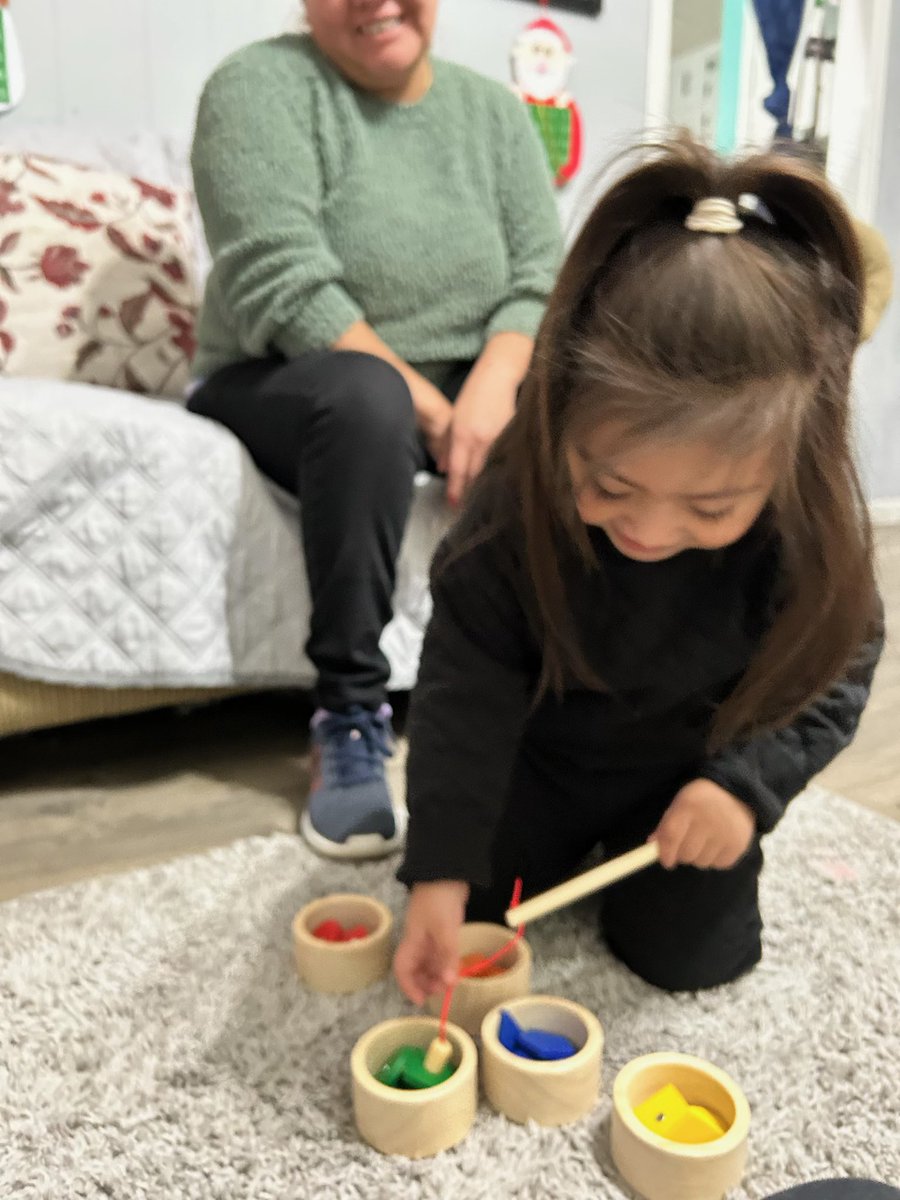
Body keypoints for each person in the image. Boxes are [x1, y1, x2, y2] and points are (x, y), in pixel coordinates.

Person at [393, 135, 884, 1002]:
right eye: (610, 485)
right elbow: (463, 693)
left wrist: (742, 790)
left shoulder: (806, 526)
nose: (650, 529)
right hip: (538, 759)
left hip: (686, 777)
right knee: (463, 902)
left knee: (693, 962)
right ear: (558, 412)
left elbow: (832, 670)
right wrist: (437, 867)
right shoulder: (520, 493)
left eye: (711, 508)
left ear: (789, 467)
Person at [187, 1, 562, 860]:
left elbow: (541, 275)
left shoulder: (494, 113)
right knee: (369, 400)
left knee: (588, 393)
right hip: (284, 369)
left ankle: (570, 697)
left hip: (466, 376)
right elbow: (280, 278)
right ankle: (349, 713)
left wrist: (498, 382)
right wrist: (436, 412)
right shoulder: (258, 87)